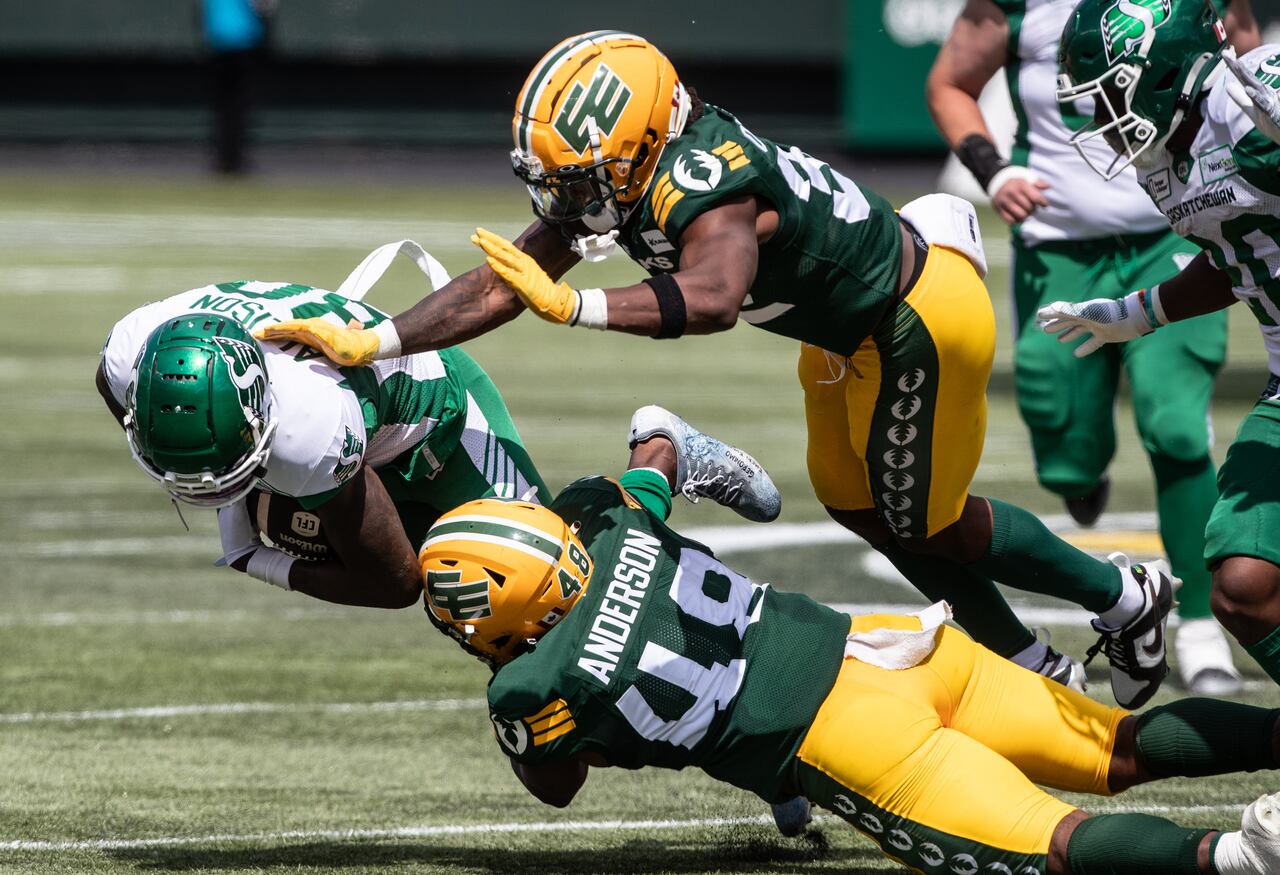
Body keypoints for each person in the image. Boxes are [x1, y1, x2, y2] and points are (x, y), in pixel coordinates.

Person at [263, 31, 1175, 708]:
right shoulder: (642, 159)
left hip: (915, 320)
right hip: (842, 327)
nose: (571, 201)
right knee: (861, 507)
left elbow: (712, 297)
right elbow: (513, 277)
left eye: (586, 179)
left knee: (923, 517)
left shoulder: (705, 178)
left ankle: (1123, 594)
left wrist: (577, 304)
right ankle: (1029, 657)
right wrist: (377, 340)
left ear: (641, 137)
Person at [419, 407, 1280, 875]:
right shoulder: (611, 527)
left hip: (845, 740)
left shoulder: (531, 684)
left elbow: (559, 782)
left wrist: (513, 665)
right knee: (1120, 746)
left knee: (1055, 840)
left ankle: (1244, 857)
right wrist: (656, 448)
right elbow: (656, 452)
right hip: (892, 644)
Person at [925, 0, 1257, 695]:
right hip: (1060, 241)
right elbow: (949, 83)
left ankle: (1196, 621)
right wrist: (993, 171)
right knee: (1062, 440)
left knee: (1173, 421)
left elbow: (1245, 72)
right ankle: (1084, 476)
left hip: (1178, 234)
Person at [94, 242, 555, 607]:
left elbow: (395, 583)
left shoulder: (309, 426)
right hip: (349, 436)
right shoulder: (129, 354)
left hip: (444, 425)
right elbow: (113, 384)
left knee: (538, 584)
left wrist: (259, 561)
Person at [1048, 0, 1280, 690]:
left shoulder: (1253, 94)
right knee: (1243, 584)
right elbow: (1241, 256)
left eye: (1111, 93)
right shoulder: (1164, 157)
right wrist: (1140, 311)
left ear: (1160, 71)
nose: (1101, 120)